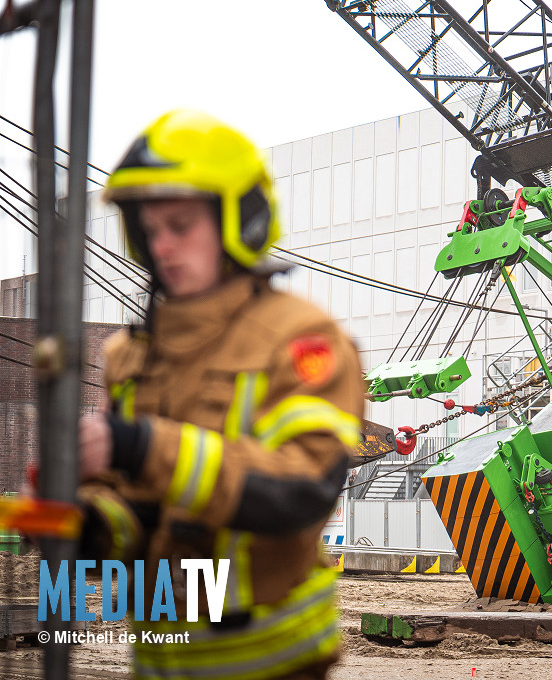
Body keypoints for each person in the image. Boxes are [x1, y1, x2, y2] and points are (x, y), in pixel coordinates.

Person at [75, 110, 364, 680]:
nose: (162, 247)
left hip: (273, 664)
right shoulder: (130, 358)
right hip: (159, 663)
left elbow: (301, 489)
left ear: (243, 221)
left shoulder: (302, 340)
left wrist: (141, 446)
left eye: (181, 225)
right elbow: (143, 518)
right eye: (149, 229)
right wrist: (89, 523)